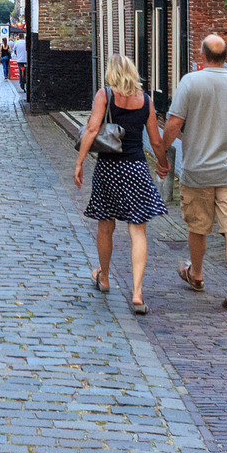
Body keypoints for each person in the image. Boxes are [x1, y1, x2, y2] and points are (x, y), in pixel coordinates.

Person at [161, 33, 227, 312]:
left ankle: (197, 275)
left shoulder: (190, 82)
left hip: (198, 169)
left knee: (197, 226)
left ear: (203, 55)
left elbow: (174, 123)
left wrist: (162, 155)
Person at [73, 55, 169, 314]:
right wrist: (162, 163)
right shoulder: (146, 100)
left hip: (109, 168)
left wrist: (80, 162)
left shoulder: (105, 95)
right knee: (138, 230)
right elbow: (156, 140)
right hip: (137, 167)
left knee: (106, 225)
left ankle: (103, 278)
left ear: (111, 73)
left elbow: (92, 130)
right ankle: (137, 293)